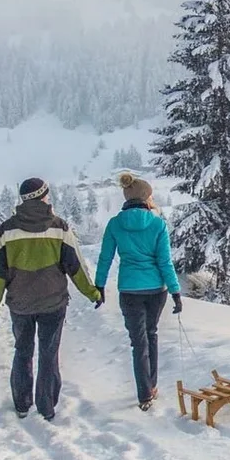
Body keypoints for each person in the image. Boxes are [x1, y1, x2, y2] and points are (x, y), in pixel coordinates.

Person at [0, 178, 101, 421]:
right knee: (49, 353)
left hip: (20, 303)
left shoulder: (6, 231)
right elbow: (76, 267)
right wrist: (92, 293)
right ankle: (47, 406)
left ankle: (22, 403)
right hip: (53, 303)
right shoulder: (59, 228)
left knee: (22, 351)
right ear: (43, 196)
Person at [94, 173, 182, 411]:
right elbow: (165, 262)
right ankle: (152, 385)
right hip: (156, 290)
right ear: (146, 198)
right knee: (151, 333)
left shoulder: (115, 224)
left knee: (138, 342)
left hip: (130, 289)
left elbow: (105, 258)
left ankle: (144, 393)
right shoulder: (157, 224)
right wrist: (175, 290)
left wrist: (99, 286)